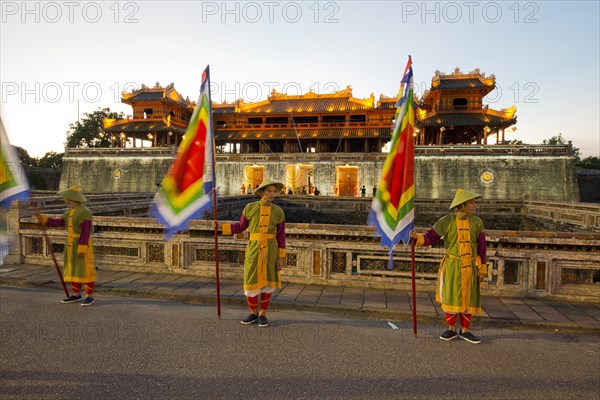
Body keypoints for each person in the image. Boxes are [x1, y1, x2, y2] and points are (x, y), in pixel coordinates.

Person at [410, 189, 487, 344]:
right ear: (463, 205)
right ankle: (451, 328)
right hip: (453, 265)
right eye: (472, 202)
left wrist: (482, 268)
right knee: (451, 295)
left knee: (469, 298)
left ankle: (465, 330)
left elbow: (482, 247)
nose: (475, 205)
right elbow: (431, 238)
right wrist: (416, 237)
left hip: (471, 265)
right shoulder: (446, 221)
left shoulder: (477, 222)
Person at [214, 180, 286, 327]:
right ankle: (253, 312)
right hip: (253, 248)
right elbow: (240, 227)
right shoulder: (250, 208)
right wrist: (221, 226)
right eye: (269, 191)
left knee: (268, 283)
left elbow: (281, 236)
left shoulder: (279, 211)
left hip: (271, 249)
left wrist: (281, 257)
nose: (272, 194)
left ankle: (262, 314)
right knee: (250, 283)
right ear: (262, 192)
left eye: (274, 191)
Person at [34, 186, 97, 306]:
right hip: (70, 244)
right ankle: (76, 294)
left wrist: (81, 248)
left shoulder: (85, 212)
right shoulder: (69, 212)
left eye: (66, 198)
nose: (65, 200)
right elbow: (58, 222)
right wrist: (41, 218)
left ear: (71, 198)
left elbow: (85, 231)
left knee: (85, 269)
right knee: (73, 268)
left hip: (81, 243)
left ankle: (89, 295)